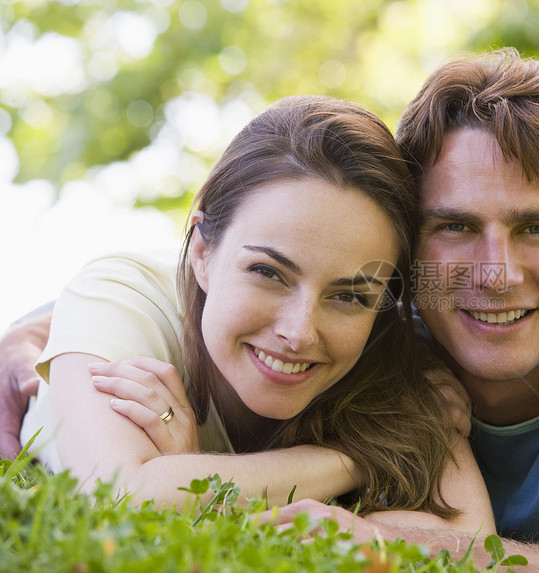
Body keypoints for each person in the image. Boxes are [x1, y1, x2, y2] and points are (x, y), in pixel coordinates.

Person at [2, 49, 539, 570]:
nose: (493, 271)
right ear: (411, 252)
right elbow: (236, 266)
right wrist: (40, 333)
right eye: (454, 226)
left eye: (536, 227)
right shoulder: (390, 314)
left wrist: (392, 546)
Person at [1, 95, 493, 533]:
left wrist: (189, 475)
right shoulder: (121, 296)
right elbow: (124, 496)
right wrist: (353, 460)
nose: (299, 332)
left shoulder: (390, 352)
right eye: (268, 272)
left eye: (349, 296)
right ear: (201, 250)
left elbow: (474, 540)